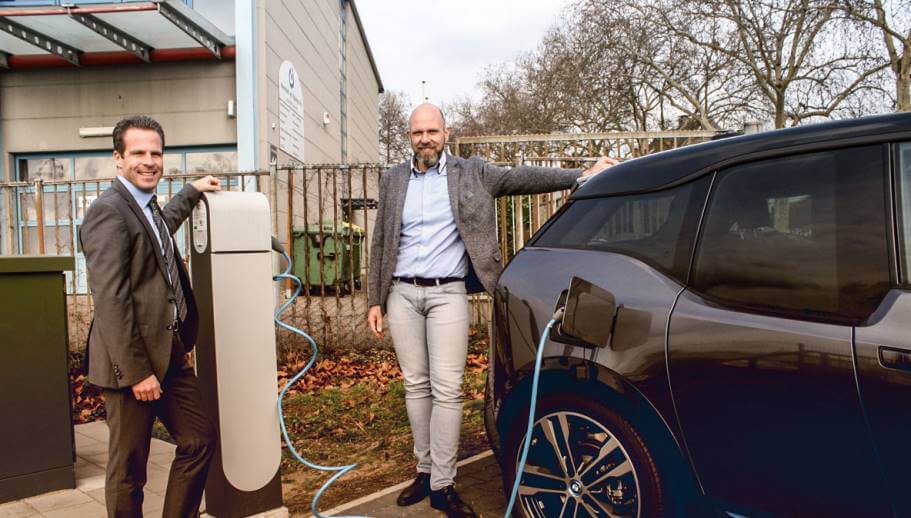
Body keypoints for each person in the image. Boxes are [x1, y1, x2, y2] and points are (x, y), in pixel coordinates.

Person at [366, 103, 616, 517]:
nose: (424, 138)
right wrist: (374, 299)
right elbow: (380, 243)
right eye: (416, 133)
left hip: (448, 294)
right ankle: (424, 470)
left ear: (446, 133)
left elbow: (522, 177)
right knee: (415, 386)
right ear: (407, 137)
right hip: (402, 295)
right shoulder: (393, 180)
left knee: (447, 389)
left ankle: (443, 483)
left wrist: (580, 174)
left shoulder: (472, 173)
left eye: (432, 131)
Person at [80, 115, 222, 518]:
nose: (149, 161)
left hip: (170, 352)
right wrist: (137, 371)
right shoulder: (108, 212)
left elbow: (160, 230)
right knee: (129, 471)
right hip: (131, 363)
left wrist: (192, 191)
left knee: (199, 440)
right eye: (138, 153)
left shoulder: (146, 206)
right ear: (118, 159)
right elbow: (111, 299)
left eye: (155, 153)